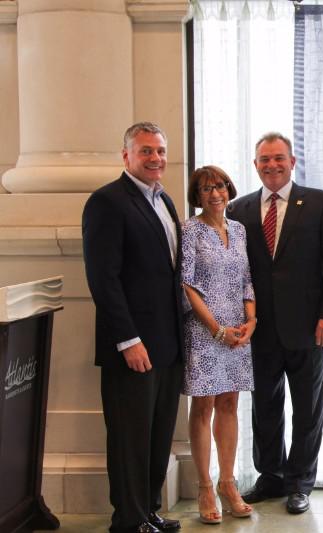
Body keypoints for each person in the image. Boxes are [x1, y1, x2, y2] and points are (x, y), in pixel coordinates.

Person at [228, 132, 323, 514]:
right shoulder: (239, 210)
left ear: (292, 162)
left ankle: (300, 482)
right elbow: (235, 272)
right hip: (258, 329)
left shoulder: (319, 203)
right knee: (264, 405)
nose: (272, 165)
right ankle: (271, 477)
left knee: (307, 407)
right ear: (255, 165)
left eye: (279, 158)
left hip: (310, 328)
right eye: (264, 159)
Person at [82, 122, 183, 533]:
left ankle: (149, 511)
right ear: (125, 156)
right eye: (145, 151)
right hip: (133, 347)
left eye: (159, 150)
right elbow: (103, 279)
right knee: (130, 439)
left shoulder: (165, 201)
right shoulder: (107, 202)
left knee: (158, 437)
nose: (155, 158)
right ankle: (129, 519)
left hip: (169, 345)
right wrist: (128, 340)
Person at [182, 166, 255, 524]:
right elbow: (187, 285)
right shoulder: (189, 230)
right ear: (197, 195)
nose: (216, 194)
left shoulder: (238, 229)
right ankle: (205, 486)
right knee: (205, 405)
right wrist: (215, 329)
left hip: (239, 330)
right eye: (207, 188)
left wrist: (251, 321)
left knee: (230, 402)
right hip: (205, 330)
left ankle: (229, 484)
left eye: (221, 186)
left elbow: (246, 279)